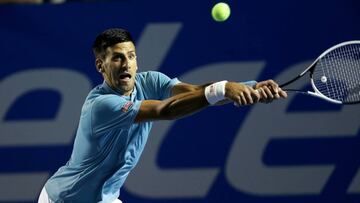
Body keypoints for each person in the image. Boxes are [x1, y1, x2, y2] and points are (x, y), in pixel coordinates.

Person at [38, 28, 287, 203]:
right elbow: (164, 110)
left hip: (105, 199)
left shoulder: (150, 81)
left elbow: (195, 92)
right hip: (64, 199)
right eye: (117, 58)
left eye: (131, 56)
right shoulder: (100, 105)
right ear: (100, 66)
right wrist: (223, 89)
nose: (126, 64)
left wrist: (247, 87)